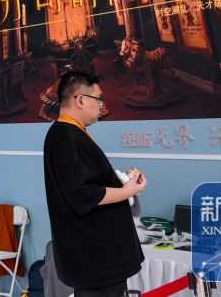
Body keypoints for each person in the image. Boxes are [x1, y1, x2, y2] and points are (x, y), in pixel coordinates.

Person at [43, 71, 145, 297]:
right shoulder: (64, 136)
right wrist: (128, 190)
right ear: (80, 100)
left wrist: (125, 186)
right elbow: (82, 194)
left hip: (101, 258)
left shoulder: (71, 133)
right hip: (95, 258)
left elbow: (86, 183)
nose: (101, 105)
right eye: (98, 99)